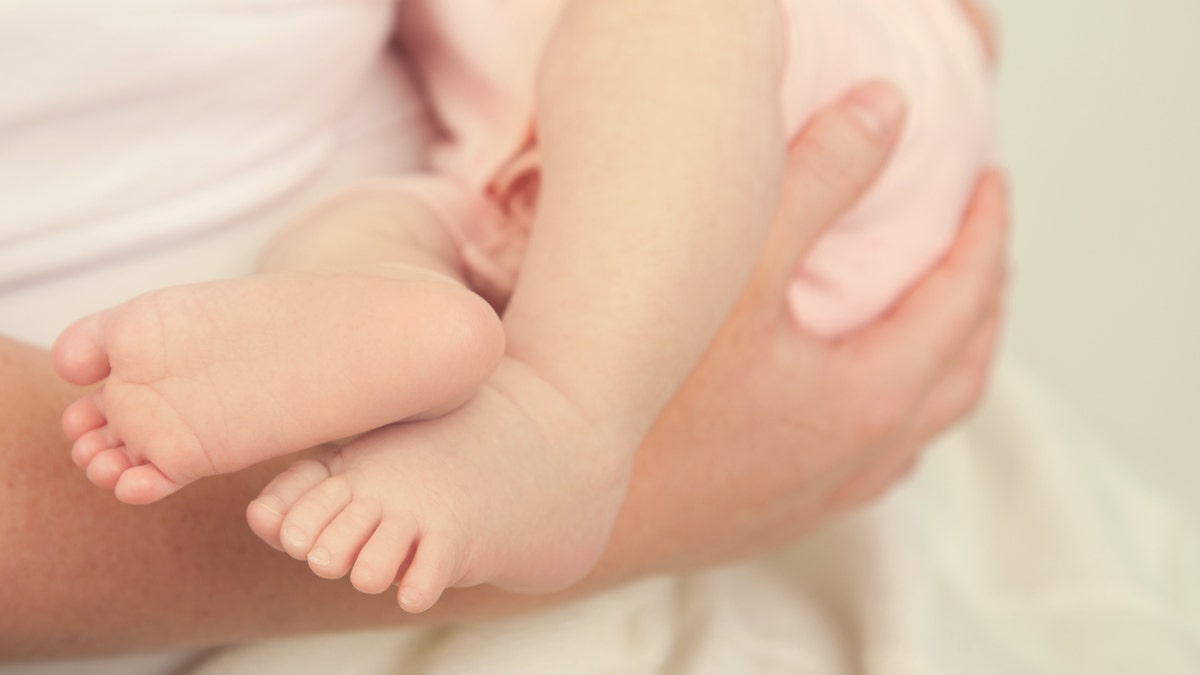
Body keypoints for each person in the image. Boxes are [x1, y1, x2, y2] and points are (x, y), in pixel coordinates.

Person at [0, 0, 1006, 660]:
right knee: (358, 224)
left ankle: (560, 418)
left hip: (789, 127)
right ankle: (404, 306)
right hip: (516, 164)